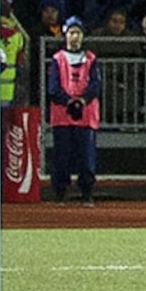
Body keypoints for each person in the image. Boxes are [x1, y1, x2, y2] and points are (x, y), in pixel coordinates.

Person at [45, 17, 103, 204]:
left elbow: (95, 85)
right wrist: (69, 102)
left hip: (86, 116)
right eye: (71, 33)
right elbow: (53, 87)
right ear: (65, 35)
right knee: (61, 156)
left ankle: (87, 191)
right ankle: (60, 191)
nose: (75, 37)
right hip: (62, 116)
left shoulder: (91, 58)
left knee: (86, 157)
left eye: (78, 33)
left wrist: (82, 101)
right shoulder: (58, 59)